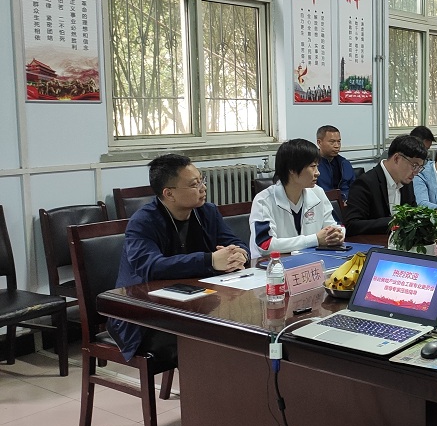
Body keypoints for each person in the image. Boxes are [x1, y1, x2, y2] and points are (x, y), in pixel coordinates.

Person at [112, 154, 250, 365]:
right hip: (146, 316)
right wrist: (210, 261)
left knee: (240, 330)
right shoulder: (143, 222)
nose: (203, 188)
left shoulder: (207, 212)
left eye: (202, 180)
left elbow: (235, 242)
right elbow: (152, 267)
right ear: (169, 193)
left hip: (196, 305)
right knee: (214, 341)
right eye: (195, 184)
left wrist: (240, 254)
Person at [250, 138, 345, 260]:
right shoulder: (264, 200)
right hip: (272, 266)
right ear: (292, 169)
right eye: (313, 166)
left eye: (317, 166)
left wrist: (337, 235)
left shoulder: (317, 192)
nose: (318, 173)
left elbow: (337, 226)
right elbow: (265, 245)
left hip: (311, 261)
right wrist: (315, 239)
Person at [344, 135, 426, 236]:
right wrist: (394, 221)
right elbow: (352, 225)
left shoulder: (406, 182)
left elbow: (412, 215)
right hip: (372, 244)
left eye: (419, 167)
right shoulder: (365, 183)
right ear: (396, 158)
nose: (416, 172)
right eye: (414, 165)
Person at [315, 125, 356, 199]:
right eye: (332, 142)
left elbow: (354, 188)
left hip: (345, 202)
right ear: (319, 142)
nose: (337, 146)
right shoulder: (311, 165)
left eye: (339, 141)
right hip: (322, 203)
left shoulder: (345, 163)